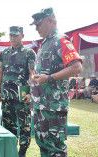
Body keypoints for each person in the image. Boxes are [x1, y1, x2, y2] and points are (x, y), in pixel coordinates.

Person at [30, 7, 83, 157]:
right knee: (43, 145)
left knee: (55, 149)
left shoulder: (61, 40)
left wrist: (50, 78)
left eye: (39, 24)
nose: (36, 28)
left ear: (51, 21)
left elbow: (77, 66)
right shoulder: (45, 44)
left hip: (53, 107)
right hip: (41, 105)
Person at [0, 26, 36, 157]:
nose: (12, 38)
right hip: (7, 95)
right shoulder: (4, 53)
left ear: (22, 36)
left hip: (22, 96)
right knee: (8, 123)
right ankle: (10, 150)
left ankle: (22, 152)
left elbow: (32, 74)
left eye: (15, 35)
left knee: (24, 124)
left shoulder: (29, 53)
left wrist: (32, 93)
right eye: (11, 35)